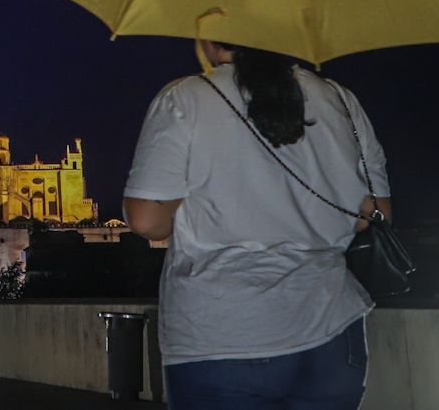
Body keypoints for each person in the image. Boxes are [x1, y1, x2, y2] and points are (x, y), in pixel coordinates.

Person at [123, 40, 390, 410]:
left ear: (211, 36)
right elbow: (374, 214)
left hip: (224, 336)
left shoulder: (185, 98)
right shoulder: (338, 98)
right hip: (332, 331)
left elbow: (147, 220)